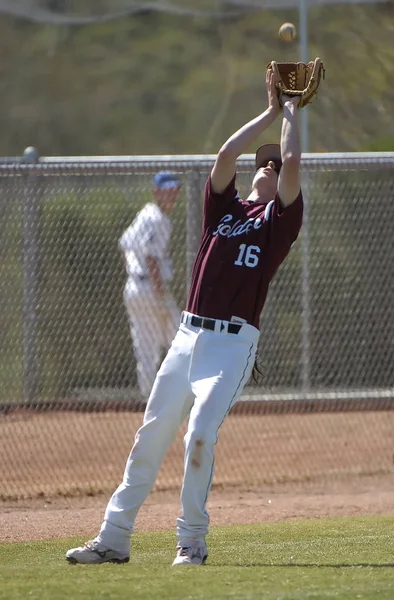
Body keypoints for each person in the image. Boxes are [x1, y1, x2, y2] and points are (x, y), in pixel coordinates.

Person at [66, 69, 304, 567]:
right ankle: (114, 537)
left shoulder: (277, 225)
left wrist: (291, 115)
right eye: (264, 164)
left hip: (232, 347)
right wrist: (265, 112)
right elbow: (223, 158)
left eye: (274, 166)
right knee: (151, 434)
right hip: (188, 334)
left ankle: (191, 542)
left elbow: (295, 162)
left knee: (200, 432)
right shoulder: (224, 210)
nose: (267, 168)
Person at [119, 171, 182, 399]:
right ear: (156, 191)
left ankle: (149, 399)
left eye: (174, 190)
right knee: (179, 339)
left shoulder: (145, 213)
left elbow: (124, 245)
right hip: (150, 289)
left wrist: (134, 274)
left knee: (145, 349)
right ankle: (182, 395)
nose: (171, 194)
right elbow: (151, 257)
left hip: (134, 289)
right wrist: (160, 293)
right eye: (167, 190)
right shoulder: (158, 219)